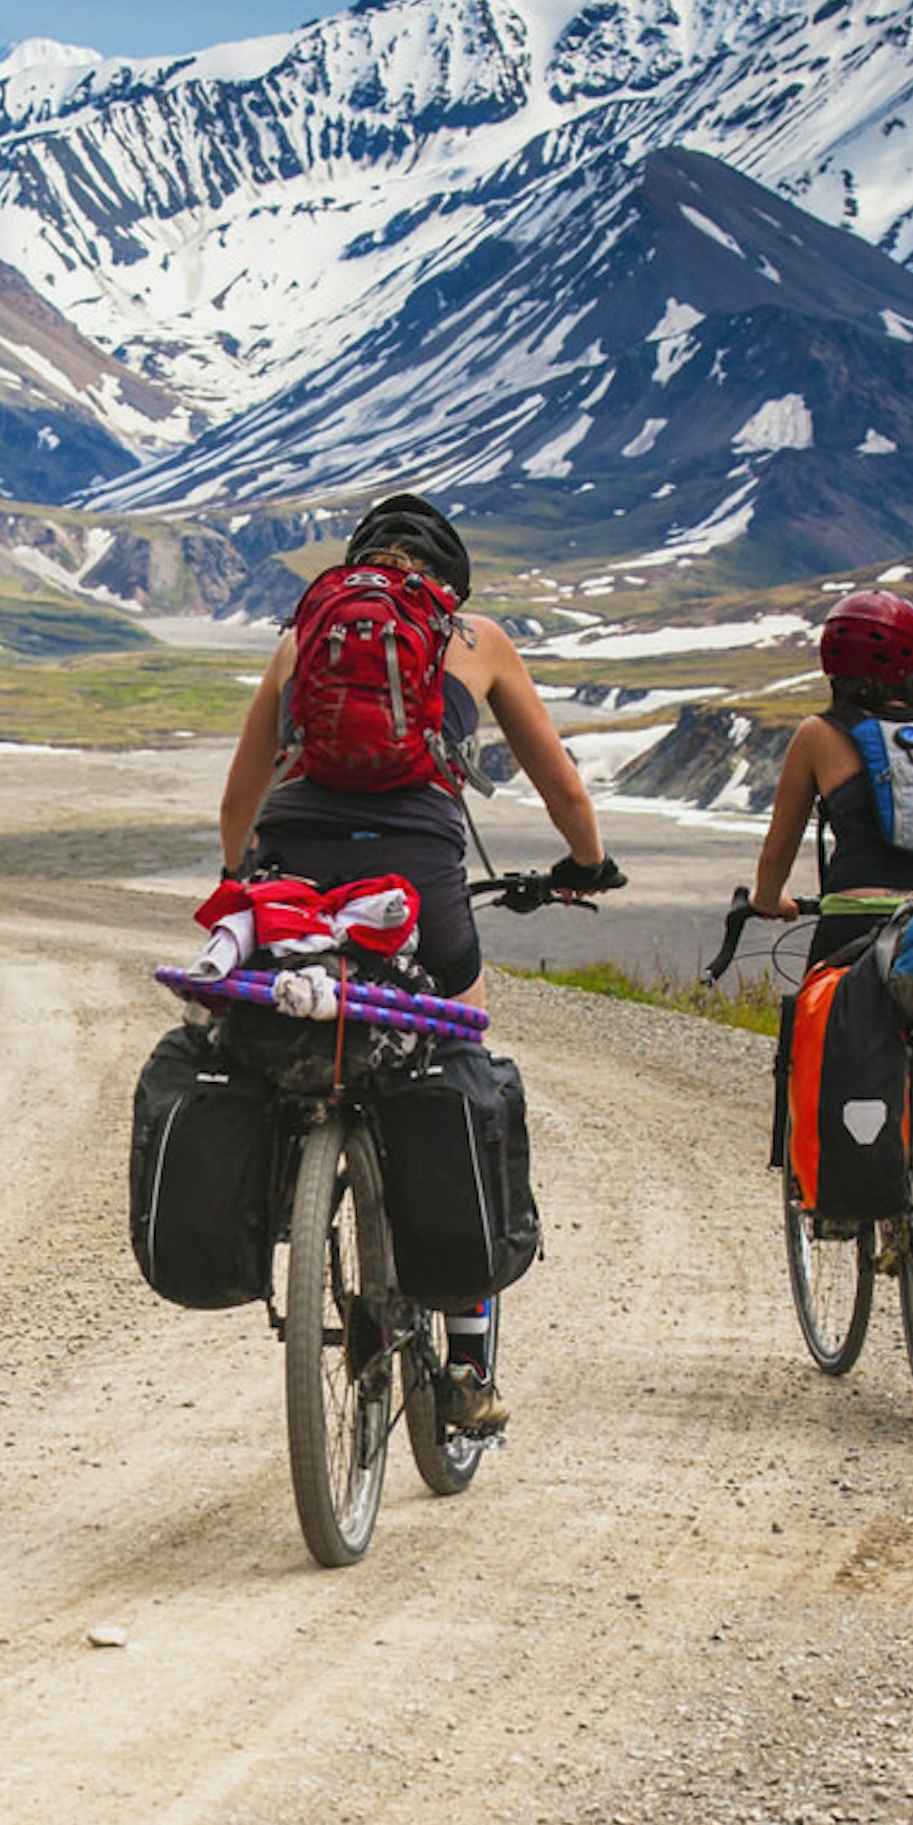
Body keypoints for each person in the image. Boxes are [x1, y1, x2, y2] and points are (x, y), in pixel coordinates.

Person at [215, 492, 618, 1435]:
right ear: (448, 579)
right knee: (459, 1055)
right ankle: (470, 1366)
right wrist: (587, 864)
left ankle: (289, 1186)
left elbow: (242, 795)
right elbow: (560, 783)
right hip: (419, 874)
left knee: (277, 1021)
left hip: (295, 859)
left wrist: (240, 874)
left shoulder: (299, 637)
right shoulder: (473, 637)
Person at [745, 587, 913, 1216]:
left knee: (821, 1043)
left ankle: (830, 1198)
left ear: (832, 667)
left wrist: (767, 900)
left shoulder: (817, 735)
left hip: (860, 931)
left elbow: (779, 849)